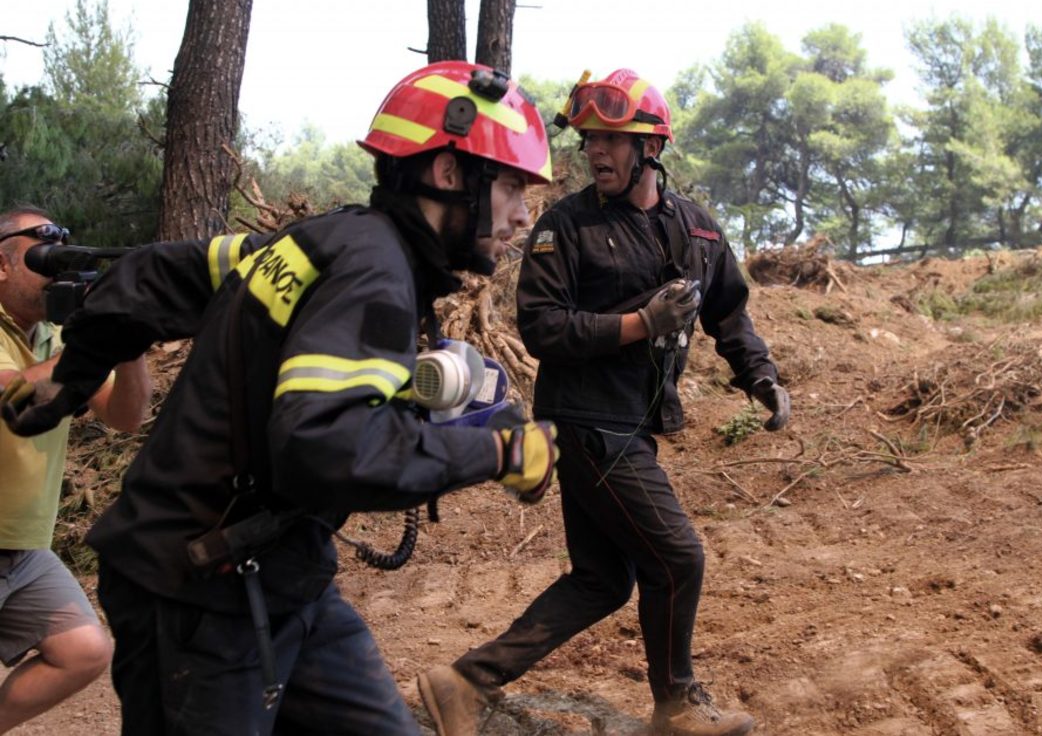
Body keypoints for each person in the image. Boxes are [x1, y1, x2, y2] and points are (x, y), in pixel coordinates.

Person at [0, 62, 560, 735]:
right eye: (510, 186)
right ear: (449, 174)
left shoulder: (317, 242)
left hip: (280, 577)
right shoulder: (372, 271)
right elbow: (324, 447)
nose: (524, 213)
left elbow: (146, 277)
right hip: (198, 593)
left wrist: (69, 380)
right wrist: (494, 451)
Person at [417, 69, 792, 736]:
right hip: (588, 425)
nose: (595, 151)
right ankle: (677, 704)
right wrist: (637, 325)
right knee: (678, 556)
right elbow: (543, 328)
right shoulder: (568, 226)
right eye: (590, 139)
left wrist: (760, 377)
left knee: (602, 579)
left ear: (652, 148)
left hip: (634, 424)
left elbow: (729, 312)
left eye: (613, 139)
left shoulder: (698, 231)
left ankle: (462, 683)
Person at [0, 208, 151, 734]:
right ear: (1, 264)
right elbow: (13, 395)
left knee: (82, 650)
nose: (57, 257)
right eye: (42, 245)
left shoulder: (58, 342)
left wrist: (126, 342)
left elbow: (128, 417)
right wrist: (89, 348)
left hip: (22, 545)